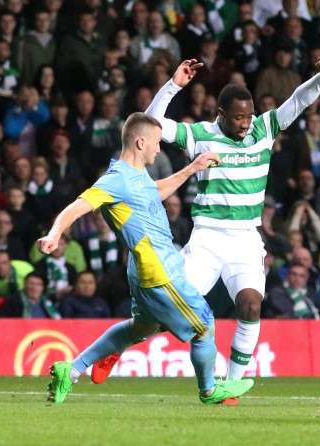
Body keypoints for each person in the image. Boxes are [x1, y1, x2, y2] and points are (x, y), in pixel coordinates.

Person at [100, 57, 320, 386]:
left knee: (251, 305)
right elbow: (150, 123)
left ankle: (233, 385)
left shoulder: (263, 128)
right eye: (238, 118)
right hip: (207, 240)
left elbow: (297, 100)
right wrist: (173, 86)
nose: (244, 124)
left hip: (246, 239)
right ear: (221, 115)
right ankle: (117, 347)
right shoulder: (200, 135)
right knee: (165, 317)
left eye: (248, 116)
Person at [41, 112, 251, 404]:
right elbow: (78, 206)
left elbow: (155, 192)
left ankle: (72, 369)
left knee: (139, 328)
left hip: (144, 269)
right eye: (156, 142)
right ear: (141, 142)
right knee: (204, 327)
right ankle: (209, 390)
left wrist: (192, 168)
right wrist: (55, 234)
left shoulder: (136, 177)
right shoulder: (115, 180)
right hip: (159, 271)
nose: (159, 148)